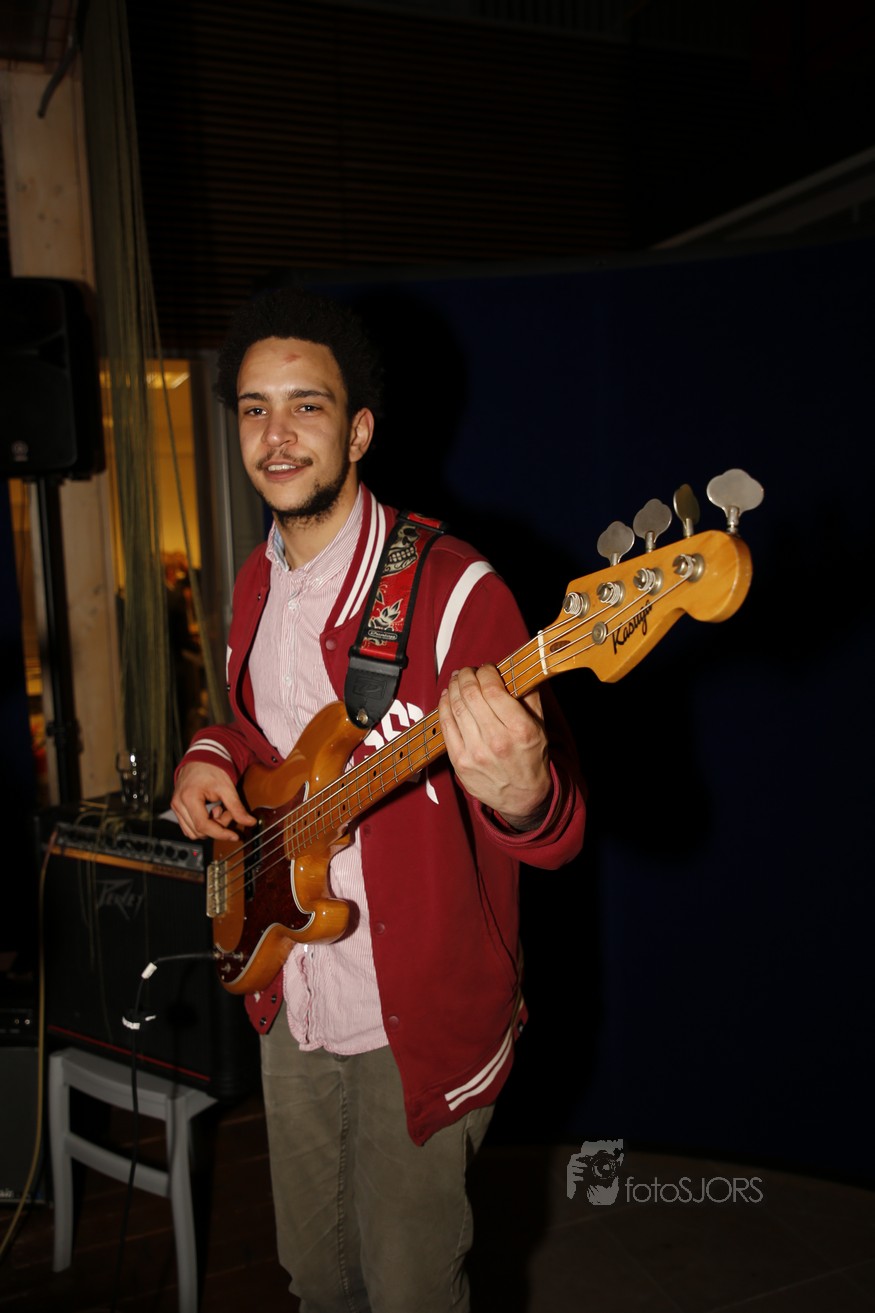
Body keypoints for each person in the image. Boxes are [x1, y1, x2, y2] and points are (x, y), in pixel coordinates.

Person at [171, 286, 586, 1312]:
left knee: (409, 1290)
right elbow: (255, 735)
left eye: (305, 406)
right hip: (291, 988)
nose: (276, 435)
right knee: (316, 1280)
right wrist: (205, 756)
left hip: (416, 1018)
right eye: (255, 408)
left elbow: (556, 829)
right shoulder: (254, 580)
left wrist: (523, 792)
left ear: (357, 431)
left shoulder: (456, 589)